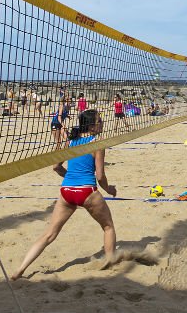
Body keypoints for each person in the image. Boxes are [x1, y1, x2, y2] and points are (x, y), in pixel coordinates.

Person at [12, 109, 117, 279]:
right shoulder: (98, 142)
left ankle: (20, 269)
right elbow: (100, 176)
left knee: (49, 234)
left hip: (66, 191)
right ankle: (110, 263)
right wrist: (109, 189)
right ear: (91, 126)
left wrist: (69, 177)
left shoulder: (70, 142)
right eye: (100, 121)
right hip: (87, 191)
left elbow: (56, 167)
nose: (102, 123)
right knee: (108, 227)